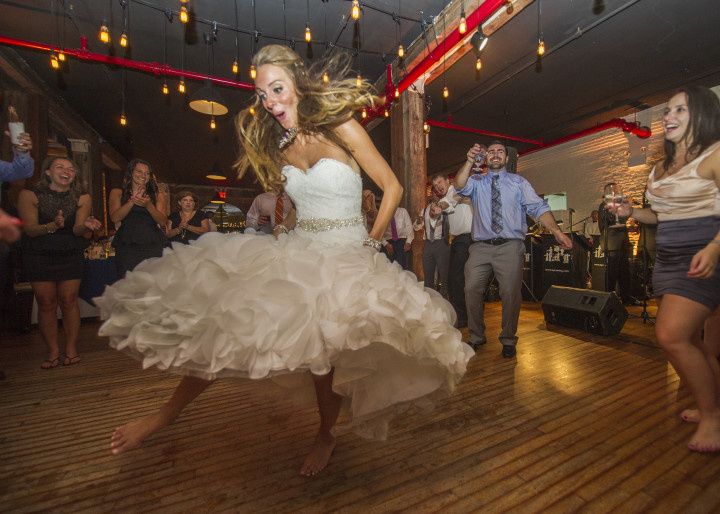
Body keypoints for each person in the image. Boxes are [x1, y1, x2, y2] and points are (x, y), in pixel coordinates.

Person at [96, 44, 473, 476]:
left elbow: (392, 188)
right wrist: (283, 231)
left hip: (347, 254)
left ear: (297, 84)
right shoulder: (280, 147)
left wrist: (369, 245)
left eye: (277, 89)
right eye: (262, 95)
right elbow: (299, 206)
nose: (271, 102)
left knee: (323, 363)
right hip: (298, 250)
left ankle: (326, 433)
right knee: (226, 325)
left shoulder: (339, 127)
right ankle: (162, 416)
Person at [609, 85, 720, 452]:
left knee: (671, 335)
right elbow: (658, 215)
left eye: (679, 110)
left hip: (705, 252)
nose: (668, 116)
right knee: (695, 342)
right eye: (667, 110)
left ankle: (713, 420)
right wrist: (630, 213)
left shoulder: (715, 155)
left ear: (701, 116)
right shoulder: (659, 168)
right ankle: (713, 407)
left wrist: (714, 248)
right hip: (670, 256)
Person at [456, 141, 572, 357]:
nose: (495, 154)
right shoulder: (476, 181)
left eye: (500, 151)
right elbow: (459, 185)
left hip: (510, 246)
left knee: (510, 293)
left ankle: (508, 339)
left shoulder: (519, 183)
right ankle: (476, 336)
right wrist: (469, 160)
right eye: (491, 152)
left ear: (507, 159)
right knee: (471, 289)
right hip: (480, 247)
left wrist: (557, 232)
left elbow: (539, 208)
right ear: (486, 158)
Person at [17, 156, 102, 368]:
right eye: (60, 167)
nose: (67, 171)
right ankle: (53, 350)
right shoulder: (29, 195)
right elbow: (29, 229)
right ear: (47, 172)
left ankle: (71, 348)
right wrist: (53, 225)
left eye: (71, 169)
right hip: (39, 254)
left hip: (70, 252)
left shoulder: (82, 197)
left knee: (69, 299)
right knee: (46, 303)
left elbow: (77, 230)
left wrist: (88, 226)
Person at [108, 159, 168, 277]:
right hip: (127, 243)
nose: (143, 175)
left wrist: (148, 205)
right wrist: (132, 201)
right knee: (127, 282)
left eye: (147, 173)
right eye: (139, 171)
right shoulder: (117, 192)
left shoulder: (157, 195)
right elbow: (115, 218)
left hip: (152, 242)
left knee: (151, 283)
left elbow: (162, 221)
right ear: (131, 172)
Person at [432, 172, 477, 329]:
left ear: (447, 180)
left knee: (455, 279)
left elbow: (448, 202)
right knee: (461, 279)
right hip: (458, 240)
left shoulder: (456, 190)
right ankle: (467, 317)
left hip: (466, 239)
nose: (438, 187)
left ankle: (463, 318)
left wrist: (438, 206)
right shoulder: (448, 195)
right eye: (436, 186)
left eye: (440, 182)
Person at [598, 185, 632, 302]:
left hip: (622, 242)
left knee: (624, 271)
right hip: (611, 243)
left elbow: (624, 219)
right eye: (614, 192)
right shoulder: (604, 206)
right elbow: (605, 224)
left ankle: (625, 297)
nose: (616, 194)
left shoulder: (618, 205)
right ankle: (610, 298)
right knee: (612, 272)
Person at [413, 189, 451, 296]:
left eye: (438, 193)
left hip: (442, 243)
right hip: (428, 244)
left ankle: (445, 300)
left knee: (445, 275)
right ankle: (431, 301)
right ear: (431, 194)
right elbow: (416, 227)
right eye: (434, 192)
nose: (436, 194)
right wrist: (418, 221)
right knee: (428, 275)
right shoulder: (425, 210)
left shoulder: (445, 207)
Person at [382, 205, 413, 270]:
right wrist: (386, 244)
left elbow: (409, 227)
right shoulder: (383, 212)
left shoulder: (403, 211)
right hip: (388, 242)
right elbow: (379, 231)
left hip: (402, 241)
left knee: (402, 267)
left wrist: (408, 242)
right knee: (389, 268)